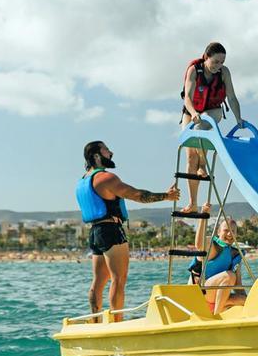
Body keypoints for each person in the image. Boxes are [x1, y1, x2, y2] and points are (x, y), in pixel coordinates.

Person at [77, 141, 180, 321]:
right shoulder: (105, 178)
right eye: (106, 150)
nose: (111, 152)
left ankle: (95, 321)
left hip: (95, 232)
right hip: (110, 230)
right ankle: (117, 322)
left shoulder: (83, 180)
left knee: (98, 281)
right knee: (119, 278)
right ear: (96, 156)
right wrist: (166, 196)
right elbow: (137, 195)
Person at [179, 42, 243, 212]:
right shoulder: (194, 70)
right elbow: (188, 98)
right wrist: (193, 113)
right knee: (190, 157)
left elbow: (232, 97)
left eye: (222, 62)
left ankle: (203, 166)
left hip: (213, 111)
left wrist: (239, 118)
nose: (218, 66)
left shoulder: (224, 72)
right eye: (215, 62)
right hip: (191, 112)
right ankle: (193, 203)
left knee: (201, 128)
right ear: (206, 57)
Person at [195, 217, 246, 315]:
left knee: (246, 301)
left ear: (236, 234)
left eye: (233, 231)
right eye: (226, 230)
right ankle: (216, 316)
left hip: (217, 298)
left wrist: (246, 299)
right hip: (201, 293)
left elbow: (238, 285)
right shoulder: (212, 246)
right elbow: (198, 245)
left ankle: (218, 308)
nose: (230, 234)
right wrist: (203, 216)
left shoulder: (235, 254)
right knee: (230, 276)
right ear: (218, 232)